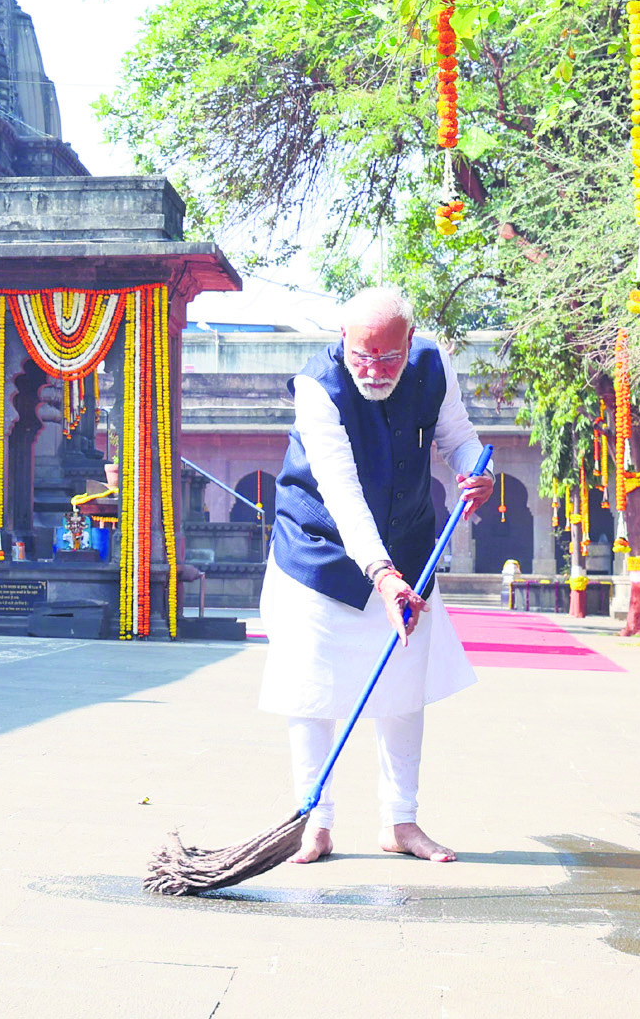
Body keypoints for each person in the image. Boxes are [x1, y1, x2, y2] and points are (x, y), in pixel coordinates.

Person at [259, 286, 493, 865]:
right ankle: (314, 823)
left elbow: (459, 438)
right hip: (319, 553)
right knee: (312, 691)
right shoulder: (319, 387)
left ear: (409, 343)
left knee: (402, 689)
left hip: (408, 544)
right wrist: (381, 574)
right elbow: (339, 488)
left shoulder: (433, 366)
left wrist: (475, 472)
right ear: (343, 340)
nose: (374, 370)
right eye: (362, 356)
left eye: (388, 358)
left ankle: (401, 822)